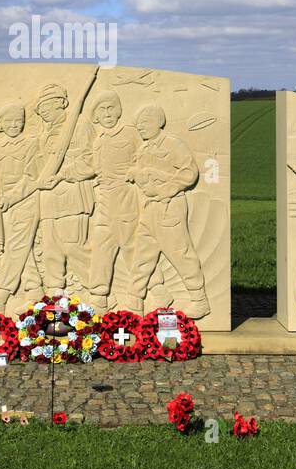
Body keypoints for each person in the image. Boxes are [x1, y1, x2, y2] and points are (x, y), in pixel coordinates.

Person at [128, 104, 210, 319]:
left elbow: (189, 172)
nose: (141, 128)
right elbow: (144, 173)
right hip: (149, 208)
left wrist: (165, 189)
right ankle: (134, 306)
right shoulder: (143, 149)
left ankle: (200, 301)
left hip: (168, 206)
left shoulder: (173, 144)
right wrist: (136, 173)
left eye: (144, 124)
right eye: (138, 125)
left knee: (180, 254)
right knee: (142, 258)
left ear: (158, 122)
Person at [32, 83, 96, 297]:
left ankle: (98, 293)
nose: (43, 112)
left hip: (72, 197)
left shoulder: (79, 126)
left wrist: (62, 175)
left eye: (46, 106)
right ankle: (54, 298)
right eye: (40, 109)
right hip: (49, 200)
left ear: (61, 102)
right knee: (51, 250)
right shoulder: (44, 134)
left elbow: (91, 161)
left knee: (75, 247)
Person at [86, 90, 141, 310]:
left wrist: (136, 170)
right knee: (102, 244)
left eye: (111, 108)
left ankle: (150, 291)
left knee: (130, 245)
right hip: (104, 199)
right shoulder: (99, 140)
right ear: (96, 116)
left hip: (125, 196)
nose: (107, 113)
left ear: (118, 111)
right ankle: (99, 296)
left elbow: (144, 158)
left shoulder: (130, 134)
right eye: (102, 109)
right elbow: (94, 168)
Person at [0, 103, 42, 310]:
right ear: (0, 124)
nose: (14, 125)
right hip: (4, 205)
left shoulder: (30, 144)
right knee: (20, 247)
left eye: (18, 121)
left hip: (25, 200)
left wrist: (11, 197)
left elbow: (31, 176)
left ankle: (0, 297)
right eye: (9, 122)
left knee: (16, 246)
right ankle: (35, 291)